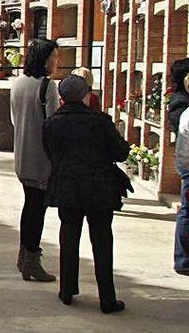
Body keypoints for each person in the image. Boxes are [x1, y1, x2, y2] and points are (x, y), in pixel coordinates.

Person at [43, 74, 132, 313]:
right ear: (86, 95)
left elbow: (50, 154)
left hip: (67, 187)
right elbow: (120, 152)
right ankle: (107, 299)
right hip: (99, 188)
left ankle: (67, 290)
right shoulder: (100, 121)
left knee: (69, 237)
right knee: (102, 241)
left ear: (61, 97)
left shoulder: (52, 123)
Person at [10, 38, 59, 282]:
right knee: (37, 209)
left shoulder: (18, 83)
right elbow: (53, 124)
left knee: (29, 206)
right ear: (44, 59)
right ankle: (32, 261)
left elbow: (14, 119)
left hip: (22, 155)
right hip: (41, 159)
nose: (56, 61)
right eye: (54, 57)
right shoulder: (47, 87)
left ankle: (23, 257)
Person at [170, 59, 189, 276]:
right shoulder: (181, 105)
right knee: (186, 212)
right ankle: (183, 260)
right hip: (187, 165)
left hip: (185, 161)